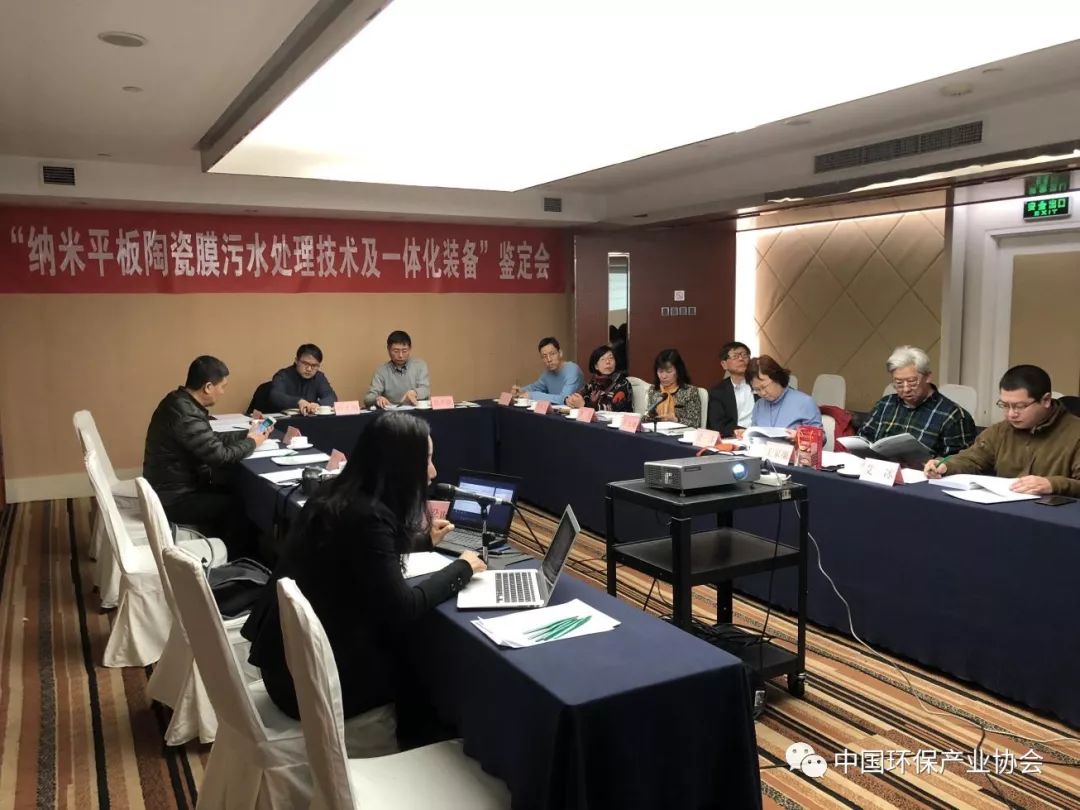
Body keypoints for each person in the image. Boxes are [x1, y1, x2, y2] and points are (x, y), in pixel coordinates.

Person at [242, 412, 485, 754]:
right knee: (426, 665)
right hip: (310, 689)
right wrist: (462, 568)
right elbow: (403, 608)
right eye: (426, 460)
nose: (432, 472)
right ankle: (423, 755)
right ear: (399, 465)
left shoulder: (335, 493)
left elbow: (356, 552)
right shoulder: (369, 517)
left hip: (283, 668)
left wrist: (422, 541)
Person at [143, 356, 269, 557]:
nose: (223, 392)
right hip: (174, 498)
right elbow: (221, 456)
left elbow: (209, 438)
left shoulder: (178, 401)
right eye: (223, 386)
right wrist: (253, 442)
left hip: (171, 487)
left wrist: (246, 434)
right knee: (236, 504)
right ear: (208, 387)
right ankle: (239, 559)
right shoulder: (186, 414)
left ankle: (235, 546)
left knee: (236, 488)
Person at [924, 365, 1080, 496]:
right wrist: (946, 465)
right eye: (1005, 405)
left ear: (1046, 400)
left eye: (1020, 406)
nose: (1011, 414)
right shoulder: (1001, 431)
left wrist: (1053, 484)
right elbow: (973, 459)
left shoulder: (1074, 434)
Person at [859, 345, 975, 457]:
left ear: (928, 377)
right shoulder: (885, 405)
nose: (906, 389)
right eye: (899, 383)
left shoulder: (953, 416)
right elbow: (864, 439)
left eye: (912, 381)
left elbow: (960, 461)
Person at [741, 355, 822, 432]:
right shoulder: (759, 405)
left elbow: (820, 437)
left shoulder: (805, 402)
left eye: (764, 386)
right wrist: (746, 434)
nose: (763, 393)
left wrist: (797, 436)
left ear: (777, 377)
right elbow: (754, 434)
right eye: (757, 389)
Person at [365, 330, 431, 409]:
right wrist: (377, 399)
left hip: (416, 410)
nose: (400, 355)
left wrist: (414, 393)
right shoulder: (381, 371)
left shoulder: (420, 365)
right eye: (396, 351)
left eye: (404, 351)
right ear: (388, 349)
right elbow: (368, 398)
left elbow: (425, 390)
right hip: (391, 413)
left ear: (410, 349)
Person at [268, 343, 338, 415]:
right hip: (285, 419)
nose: (309, 369)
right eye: (305, 363)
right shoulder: (283, 375)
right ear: (296, 360)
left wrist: (318, 404)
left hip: (310, 419)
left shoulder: (319, 377)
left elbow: (331, 397)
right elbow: (275, 396)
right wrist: (299, 402)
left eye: (314, 365)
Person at [511, 337, 584, 405]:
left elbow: (564, 399)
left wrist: (532, 395)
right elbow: (535, 387)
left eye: (552, 354)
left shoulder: (573, 370)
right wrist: (520, 391)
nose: (549, 359)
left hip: (577, 413)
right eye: (544, 356)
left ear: (560, 353)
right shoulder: (547, 373)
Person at [566, 345, 633, 412]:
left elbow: (613, 408)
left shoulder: (623, 383)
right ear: (596, 366)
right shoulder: (593, 383)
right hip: (594, 418)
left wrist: (584, 405)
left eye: (611, 358)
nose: (608, 362)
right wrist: (569, 400)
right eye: (603, 359)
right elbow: (578, 395)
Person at [707, 341, 754, 436]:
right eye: (735, 356)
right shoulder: (718, 391)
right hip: (734, 437)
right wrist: (741, 432)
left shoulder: (761, 385)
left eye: (744, 355)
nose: (741, 359)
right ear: (724, 364)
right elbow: (718, 424)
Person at [645, 348, 701, 427]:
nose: (664, 376)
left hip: (680, 433)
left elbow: (696, 423)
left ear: (678, 371)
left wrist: (676, 420)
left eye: (669, 371)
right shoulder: (654, 390)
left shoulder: (690, 391)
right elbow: (647, 417)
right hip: (657, 431)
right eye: (660, 371)